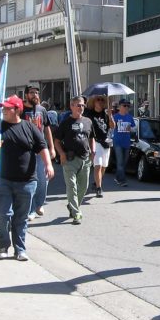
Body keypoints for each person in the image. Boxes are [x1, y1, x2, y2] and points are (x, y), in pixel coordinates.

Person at [0, 95, 54, 261]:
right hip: (1, 180)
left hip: (27, 181)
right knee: (1, 214)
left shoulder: (29, 127)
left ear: (17, 110)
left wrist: (48, 165)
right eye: (3, 108)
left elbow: (42, 147)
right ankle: (3, 245)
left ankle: (20, 249)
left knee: (21, 217)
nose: (4, 110)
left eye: (8, 108)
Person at [54, 96, 95, 225]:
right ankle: (76, 213)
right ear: (71, 106)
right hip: (70, 159)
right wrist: (61, 154)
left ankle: (72, 206)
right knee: (72, 187)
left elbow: (91, 138)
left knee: (83, 187)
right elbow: (57, 141)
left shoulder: (88, 121)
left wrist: (93, 151)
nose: (81, 107)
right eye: (78, 105)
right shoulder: (66, 123)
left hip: (85, 158)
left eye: (82, 105)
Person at [22, 85, 56, 220]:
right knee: (30, 181)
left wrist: (51, 147)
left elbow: (47, 129)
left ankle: (39, 204)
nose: (35, 95)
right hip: (26, 151)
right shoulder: (20, 110)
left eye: (36, 92)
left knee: (43, 179)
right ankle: (30, 209)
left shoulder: (42, 110)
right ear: (26, 95)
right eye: (32, 93)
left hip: (41, 150)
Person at [84, 95, 115, 198]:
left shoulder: (106, 114)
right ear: (94, 102)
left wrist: (110, 116)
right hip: (95, 142)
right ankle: (99, 188)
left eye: (102, 100)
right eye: (98, 100)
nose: (100, 101)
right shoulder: (89, 114)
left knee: (104, 166)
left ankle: (96, 182)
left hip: (106, 142)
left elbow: (113, 126)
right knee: (98, 165)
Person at [113, 99, 136, 187]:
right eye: (124, 105)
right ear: (119, 107)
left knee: (124, 162)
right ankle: (122, 180)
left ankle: (117, 177)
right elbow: (111, 128)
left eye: (128, 106)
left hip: (126, 142)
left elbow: (134, 128)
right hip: (117, 142)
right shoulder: (115, 117)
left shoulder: (129, 117)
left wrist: (131, 129)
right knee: (120, 162)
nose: (126, 107)